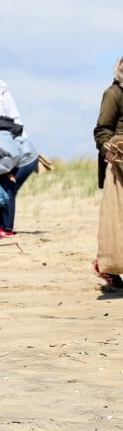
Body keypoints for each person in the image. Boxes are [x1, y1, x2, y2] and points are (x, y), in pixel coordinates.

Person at [92, 56, 123, 287]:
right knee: (116, 220)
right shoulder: (113, 93)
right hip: (119, 162)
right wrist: (108, 151)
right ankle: (106, 266)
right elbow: (102, 130)